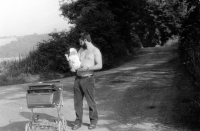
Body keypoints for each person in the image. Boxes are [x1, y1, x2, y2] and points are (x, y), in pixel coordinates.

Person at [68, 32, 102, 130]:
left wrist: (87, 68)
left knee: (91, 101)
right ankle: (78, 122)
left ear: (85, 40)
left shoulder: (95, 50)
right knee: (77, 102)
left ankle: (93, 121)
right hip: (77, 79)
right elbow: (74, 62)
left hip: (88, 79)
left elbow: (100, 65)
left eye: (80, 41)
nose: (80, 44)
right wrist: (70, 61)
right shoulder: (80, 50)